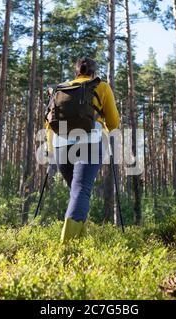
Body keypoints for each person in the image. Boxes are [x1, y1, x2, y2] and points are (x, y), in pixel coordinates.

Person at [45, 57, 120, 244]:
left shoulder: (61, 89)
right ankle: (68, 246)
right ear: (93, 72)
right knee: (81, 191)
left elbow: (48, 122)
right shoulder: (101, 86)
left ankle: (80, 240)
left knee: (77, 192)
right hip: (90, 141)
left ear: (76, 72)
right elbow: (113, 122)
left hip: (61, 144)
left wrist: (50, 149)